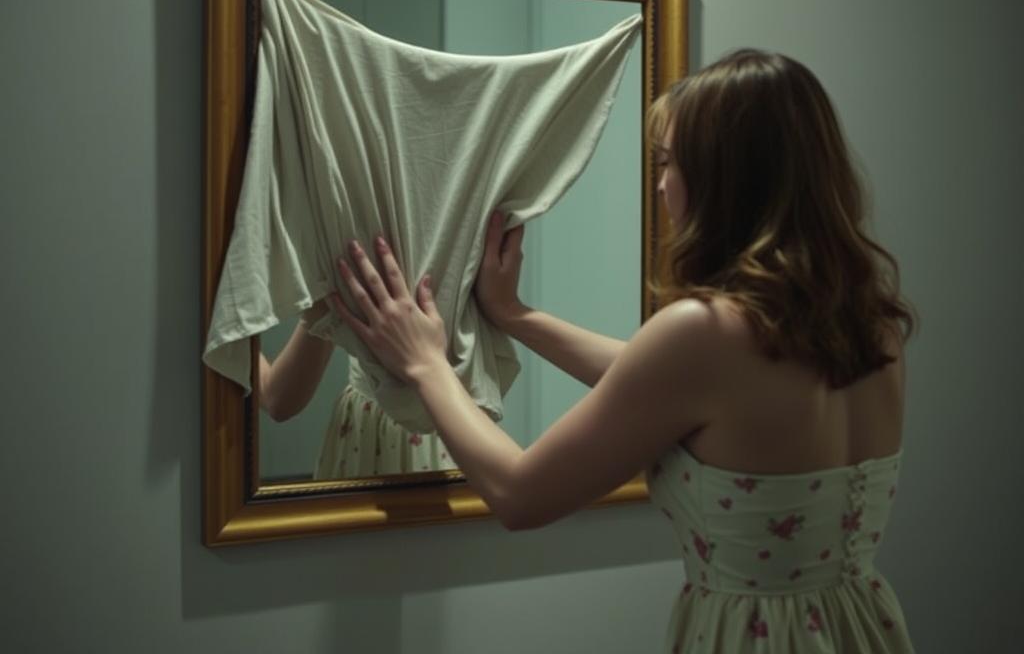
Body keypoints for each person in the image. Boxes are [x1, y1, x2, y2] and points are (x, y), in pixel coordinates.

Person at [329, 48, 917, 652]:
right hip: (858, 625)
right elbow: (669, 391)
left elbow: (519, 493)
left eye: (670, 162)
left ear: (728, 178)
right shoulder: (871, 326)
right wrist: (515, 315)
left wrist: (427, 365)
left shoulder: (702, 335)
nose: (661, 183)